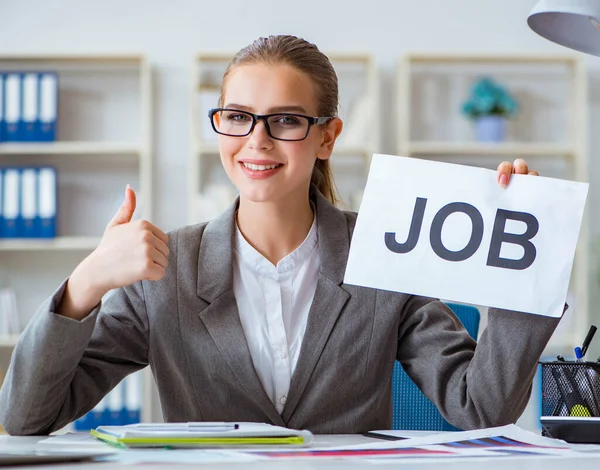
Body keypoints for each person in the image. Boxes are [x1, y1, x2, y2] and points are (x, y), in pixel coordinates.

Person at [0, 35, 558, 435]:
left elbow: (480, 409)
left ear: (327, 137)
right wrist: (87, 283)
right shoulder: (166, 272)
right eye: (238, 117)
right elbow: (26, 418)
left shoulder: (382, 253)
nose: (257, 141)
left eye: (286, 120)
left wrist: (520, 269)